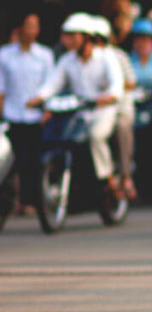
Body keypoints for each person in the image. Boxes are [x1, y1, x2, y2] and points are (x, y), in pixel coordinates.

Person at [28, 13, 124, 197]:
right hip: (78, 112)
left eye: (73, 35)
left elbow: (116, 87)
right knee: (62, 137)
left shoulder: (107, 57)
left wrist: (107, 97)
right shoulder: (67, 60)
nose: (68, 40)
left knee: (96, 136)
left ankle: (108, 178)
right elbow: (53, 84)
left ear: (86, 37)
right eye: (66, 35)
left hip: (103, 110)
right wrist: (38, 98)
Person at [0, 12, 54, 215]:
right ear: (19, 28)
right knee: (11, 162)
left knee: (33, 162)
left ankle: (31, 202)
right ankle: (10, 202)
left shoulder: (45, 56)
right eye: (29, 25)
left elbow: (50, 84)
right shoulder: (5, 55)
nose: (32, 30)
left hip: (35, 117)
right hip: (12, 115)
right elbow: (1, 88)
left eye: (36, 26)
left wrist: (48, 109)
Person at [91, 15, 138, 199]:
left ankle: (126, 176)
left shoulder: (117, 56)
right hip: (93, 108)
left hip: (119, 106)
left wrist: (111, 90)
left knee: (122, 127)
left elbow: (131, 82)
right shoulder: (81, 58)